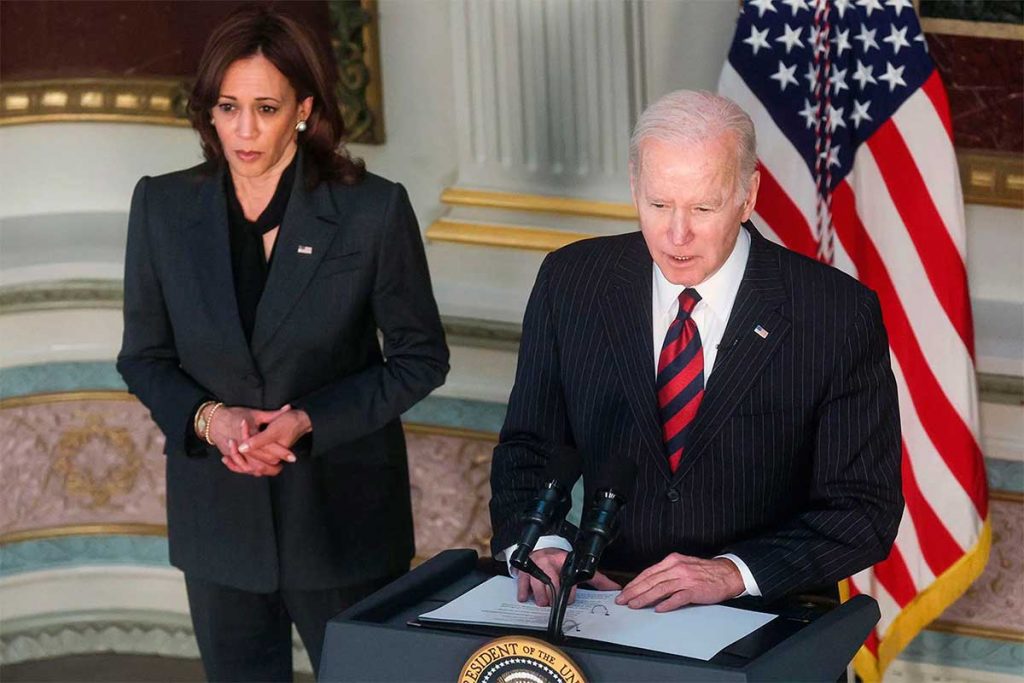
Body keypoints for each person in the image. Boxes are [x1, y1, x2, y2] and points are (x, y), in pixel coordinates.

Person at [117, 7, 448, 680]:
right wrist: (211, 420)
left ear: (303, 109)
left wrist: (306, 420)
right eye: (228, 107)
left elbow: (420, 358)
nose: (244, 130)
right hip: (219, 527)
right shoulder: (162, 207)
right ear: (208, 111)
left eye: (265, 108)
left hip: (342, 521)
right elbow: (143, 357)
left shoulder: (372, 210)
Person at [489, 90, 902, 611]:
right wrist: (542, 545)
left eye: (703, 208)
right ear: (635, 186)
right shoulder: (571, 282)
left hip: (764, 614)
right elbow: (529, 449)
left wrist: (733, 573)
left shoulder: (836, 313)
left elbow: (864, 509)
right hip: (605, 603)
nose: (676, 234)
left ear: (748, 196)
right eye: (658, 204)